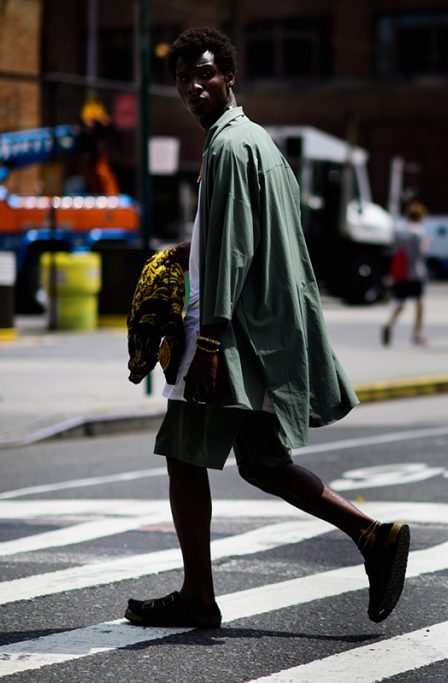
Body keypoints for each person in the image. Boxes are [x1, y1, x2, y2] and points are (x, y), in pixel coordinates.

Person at [123, 27, 409, 630]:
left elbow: (234, 250)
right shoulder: (260, 142)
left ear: (229, 77)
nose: (194, 86)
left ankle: (199, 596)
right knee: (262, 463)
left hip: (227, 337)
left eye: (205, 73)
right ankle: (371, 535)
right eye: (183, 78)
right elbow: (244, 237)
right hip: (258, 333)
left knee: (182, 456)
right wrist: (191, 249)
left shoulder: (226, 149)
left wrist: (207, 341)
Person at [382, 201, 430, 346]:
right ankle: (417, 333)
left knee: (400, 302)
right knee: (420, 303)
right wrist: (426, 245)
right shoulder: (419, 232)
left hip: (401, 272)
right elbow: (420, 253)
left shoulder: (400, 231)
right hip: (415, 272)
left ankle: (389, 325)